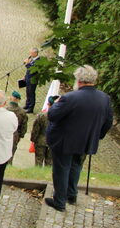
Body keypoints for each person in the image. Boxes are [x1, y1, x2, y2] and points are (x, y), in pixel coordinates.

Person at [45, 65, 113, 212]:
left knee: (62, 169)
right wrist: (97, 135)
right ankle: (72, 195)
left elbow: (52, 116)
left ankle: (59, 202)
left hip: (64, 141)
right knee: (76, 166)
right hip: (86, 141)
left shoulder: (70, 97)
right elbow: (108, 122)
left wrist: (55, 105)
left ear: (79, 80)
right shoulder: (105, 98)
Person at [31, 96, 56, 167]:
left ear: (48, 104)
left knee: (38, 161)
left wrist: (33, 139)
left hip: (40, 141)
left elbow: (35, 130)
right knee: (49, 163)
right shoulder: (59, 117)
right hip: (52, 142)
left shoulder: (41, 116)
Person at [6, 91, 28, 164]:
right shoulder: (22, 112)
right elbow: (24, 126)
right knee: (11, 153)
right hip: (15, 134)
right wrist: (20, 135)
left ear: (11, 98)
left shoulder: (5, 109)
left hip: (4, 132)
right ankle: (9, 165)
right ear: (18, 100)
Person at [23, 48, 40, 112]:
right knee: (28, 92)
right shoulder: (32, 59)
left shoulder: (38, 61)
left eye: (31, 53)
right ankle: (27, 104)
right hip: (28, 77)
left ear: (35, 53)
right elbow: (28, 70)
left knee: (31, 93)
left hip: (33, 79)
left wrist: (27, 63)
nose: (30, 54)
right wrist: (25, 76)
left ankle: (30, 108)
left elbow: (32, 70)